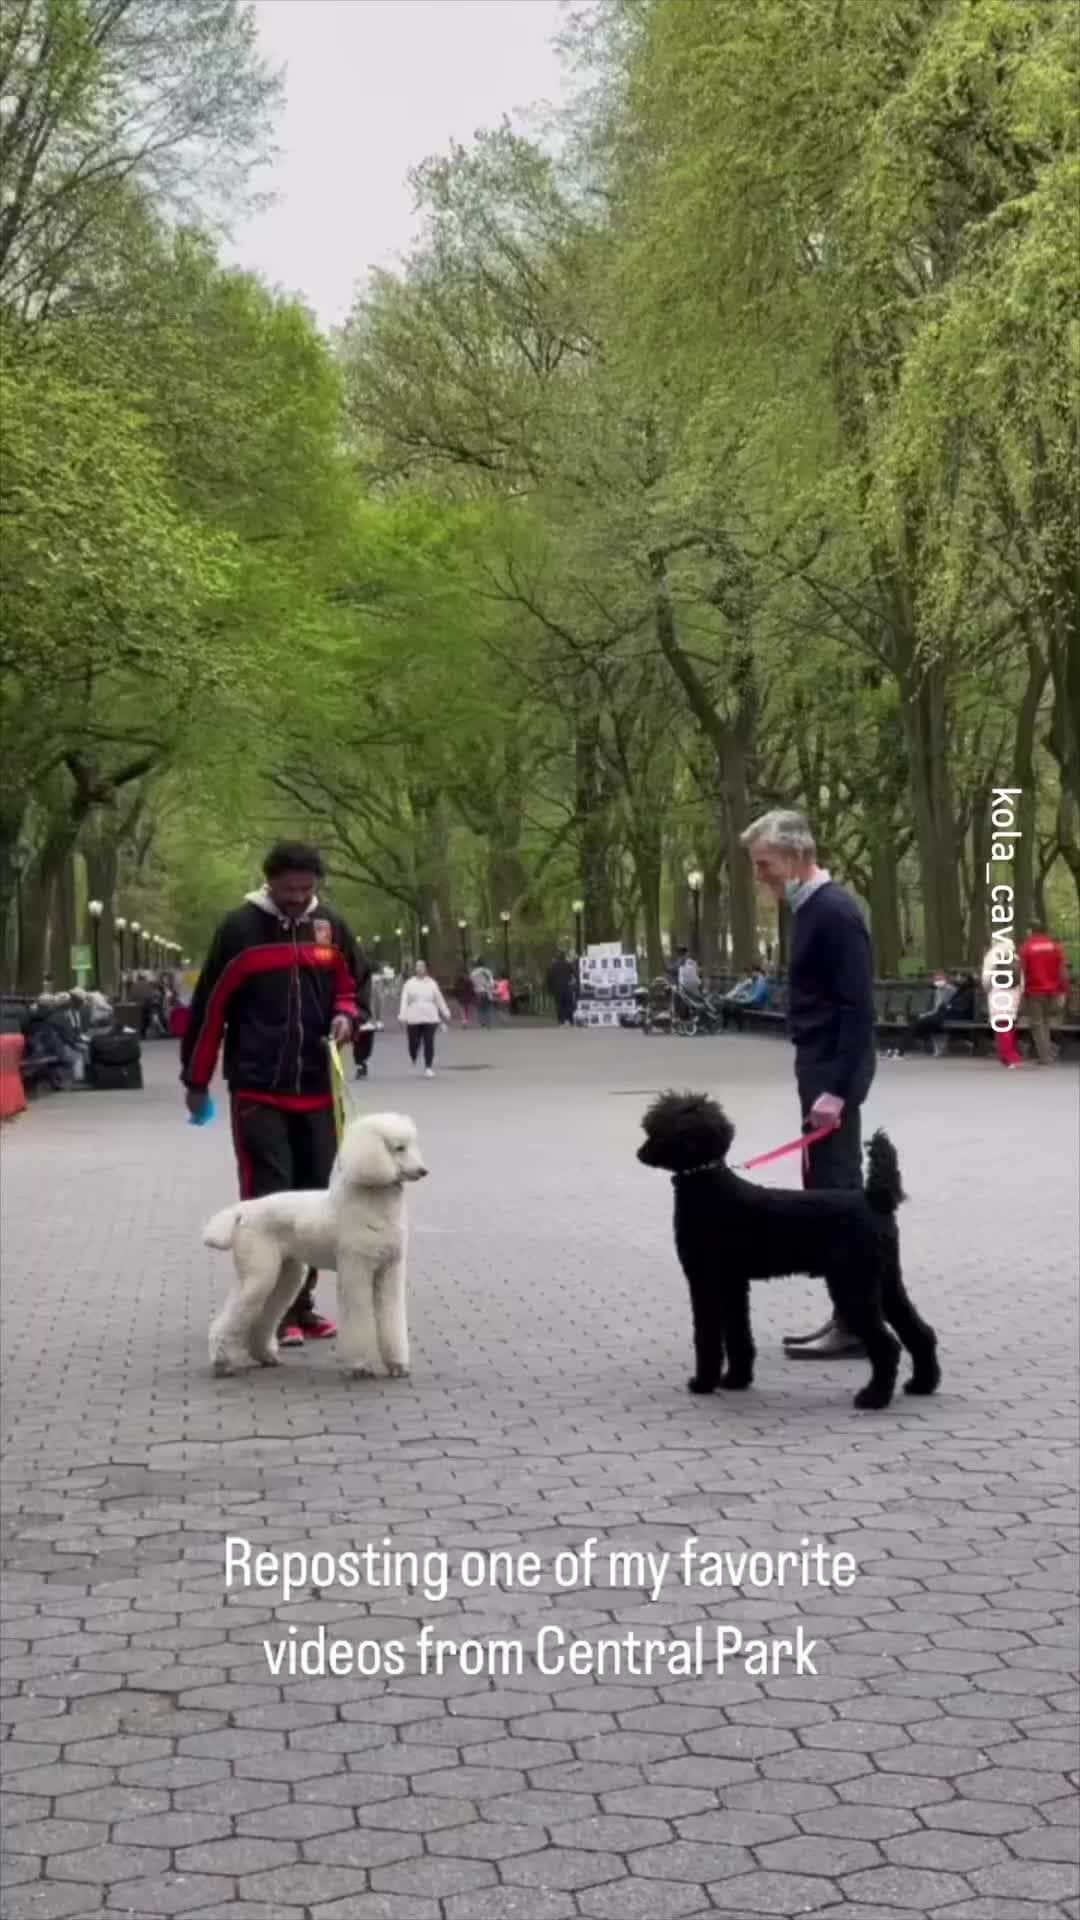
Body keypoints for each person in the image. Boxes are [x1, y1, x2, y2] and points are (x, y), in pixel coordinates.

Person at [181, 841, 367, 1346]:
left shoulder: (331, 927)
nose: (297, 898)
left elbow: (353, 987)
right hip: (258, 1088)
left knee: (316, 1201)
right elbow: (210, 1008)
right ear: (270, 883)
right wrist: (196, 1081)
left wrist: (348, 1017)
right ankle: (268, 1312)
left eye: (307, 889)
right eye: (289, 890)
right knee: (270, 1198)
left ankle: (300, 1306)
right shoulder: (239, 929)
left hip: (317, 1087)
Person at [740, 808, 875, 1360]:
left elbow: (856, 1008)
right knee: (828, 1188)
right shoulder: (808, 909)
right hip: (817, 1066)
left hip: (830, 1073)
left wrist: (838, 1089)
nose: (759, 876)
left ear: (796, 857)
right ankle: (850, 1313)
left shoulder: (834, 912)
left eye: (764, 863)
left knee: (838, 1194)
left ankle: (859, 1320)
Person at [1018, 922, 1069, 1066]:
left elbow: (1021, 970)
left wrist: (1020, 990)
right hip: (1053, 991)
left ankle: (1045, 1057)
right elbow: (1063, 971)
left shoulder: (1027, 947)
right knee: (1046, 1022)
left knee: (1038, 1024)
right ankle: (1048, 1052)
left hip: (1034, 991)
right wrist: (1064, 990)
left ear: (1031, 931)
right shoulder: (1055, 947)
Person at [398, 959, 450, 1074]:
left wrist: (445, 1012)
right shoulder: (409, 984)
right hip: (414, 1017)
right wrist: (402, 1015)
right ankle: (413, 1055)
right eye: (417, 966)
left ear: (425, 969)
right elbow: (404, 1000)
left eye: (422, 966)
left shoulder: (432, 983)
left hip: (430, 1017)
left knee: (429, 1042)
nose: (420, 968)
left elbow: (439, 999)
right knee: (413, 1042)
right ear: (415, 969)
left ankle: (428, 1067)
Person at [982, 941, 1023, 1068]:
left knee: (1001, 1026)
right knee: (1009, 1026)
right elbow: (1021, 980)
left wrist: (988, 990)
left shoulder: (991, 956)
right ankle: (1007, 1055)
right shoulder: (1016, 958)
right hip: (1013, 994)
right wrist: (1020, 992)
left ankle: (1008, 1056)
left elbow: (986, 979)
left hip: (997, 993)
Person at [546, 949, 577, 1027]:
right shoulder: (568, 964)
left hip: (557, 989)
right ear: (564, 957)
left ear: (557, 957)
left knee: (559, 1005)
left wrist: (550, 990)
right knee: (569, 1004)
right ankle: (570, 1020)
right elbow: (575, 974)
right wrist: (573, 983)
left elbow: (549, 979)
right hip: (567, 987)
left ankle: (561, 1021)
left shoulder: (552, 966)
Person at [471, 958, 496, 1028]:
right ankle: (488, 1022)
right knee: (488, 1008)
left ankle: (482, 1022)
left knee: (479, 1008)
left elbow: (472, 982)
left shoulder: (473, 972)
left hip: (477, 992)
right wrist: (492, 987)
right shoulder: (487, 971)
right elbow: (491, 982)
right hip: (487, 991)